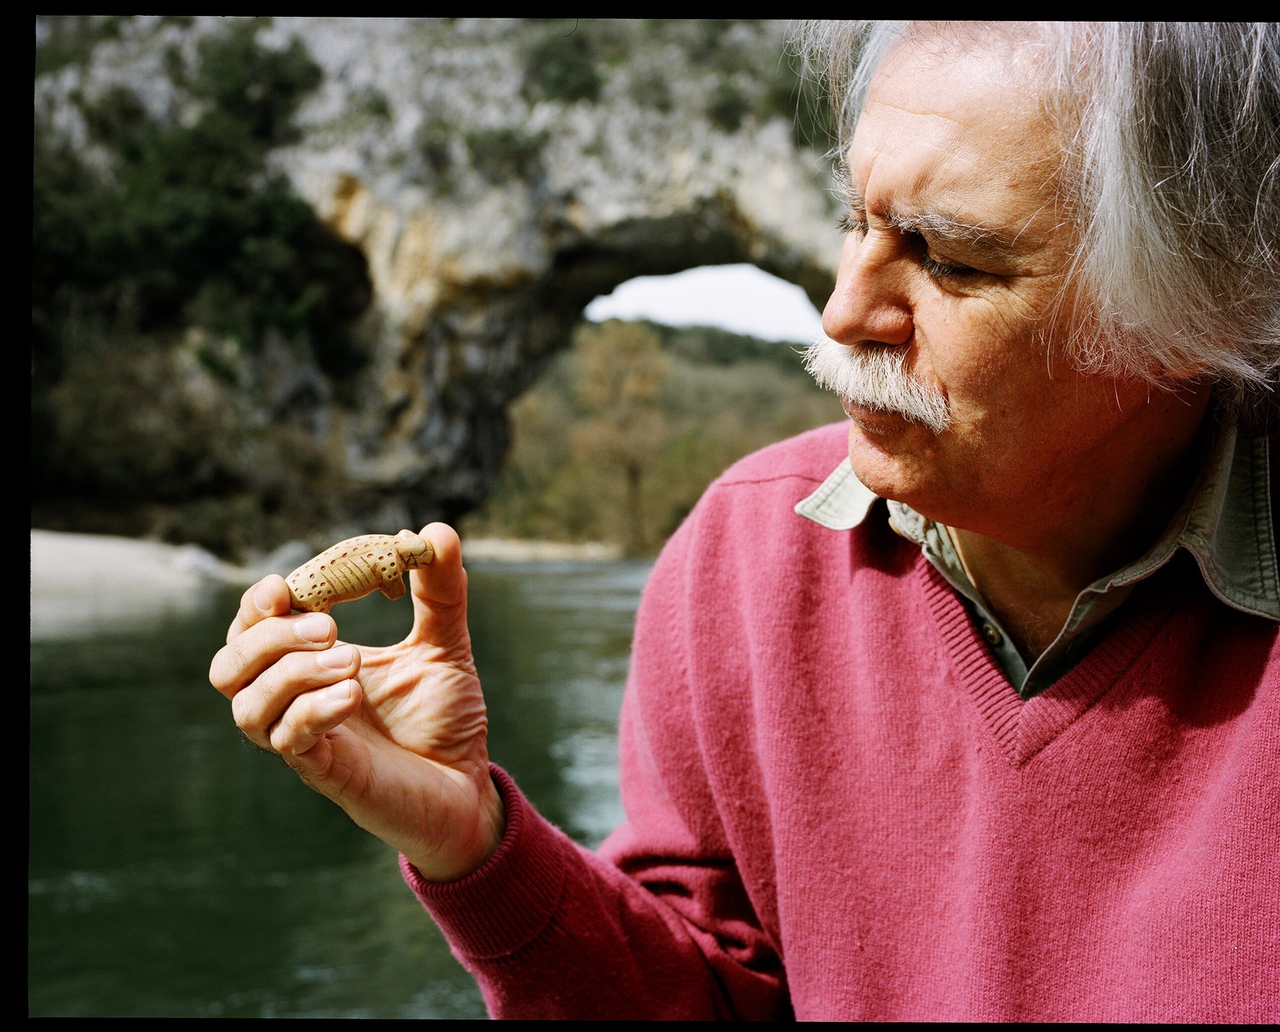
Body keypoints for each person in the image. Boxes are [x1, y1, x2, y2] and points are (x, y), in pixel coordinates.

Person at [210, 22, 1279, 1020]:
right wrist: (474, 845)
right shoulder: (744, 553)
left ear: (1198, 306)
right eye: (854, 223)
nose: (843, 314)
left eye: (949, 260)